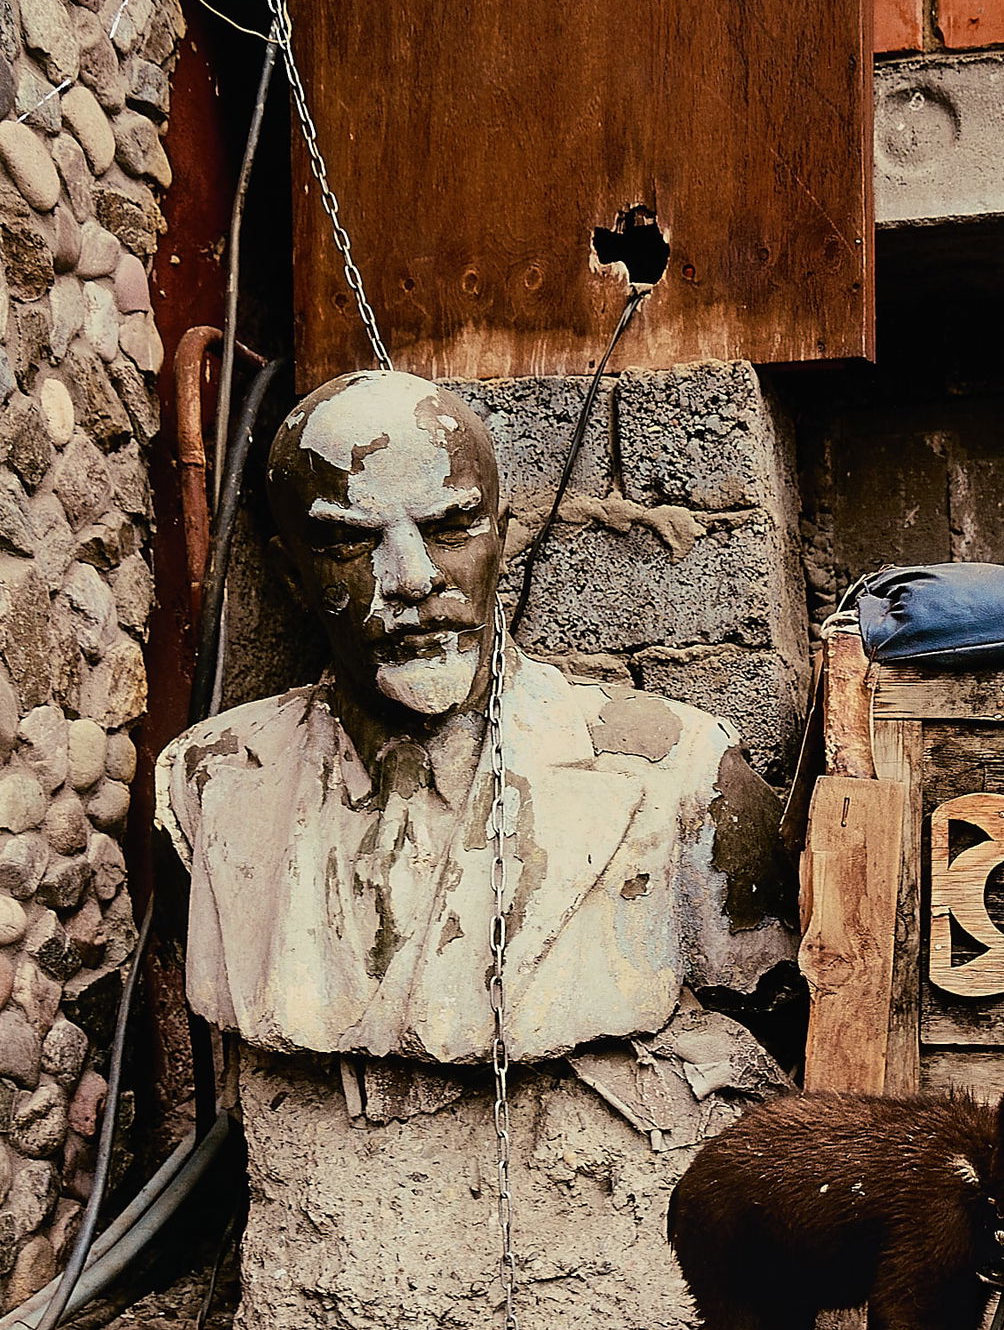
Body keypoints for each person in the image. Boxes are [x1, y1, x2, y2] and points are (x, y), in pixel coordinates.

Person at [157, 370, 791, 1065]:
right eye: (350, 544)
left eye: (450, 528)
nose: (412, 577)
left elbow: (778, 1028)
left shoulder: (683, 776)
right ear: (292, 577)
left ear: (501, 540)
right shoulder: (207, 784)